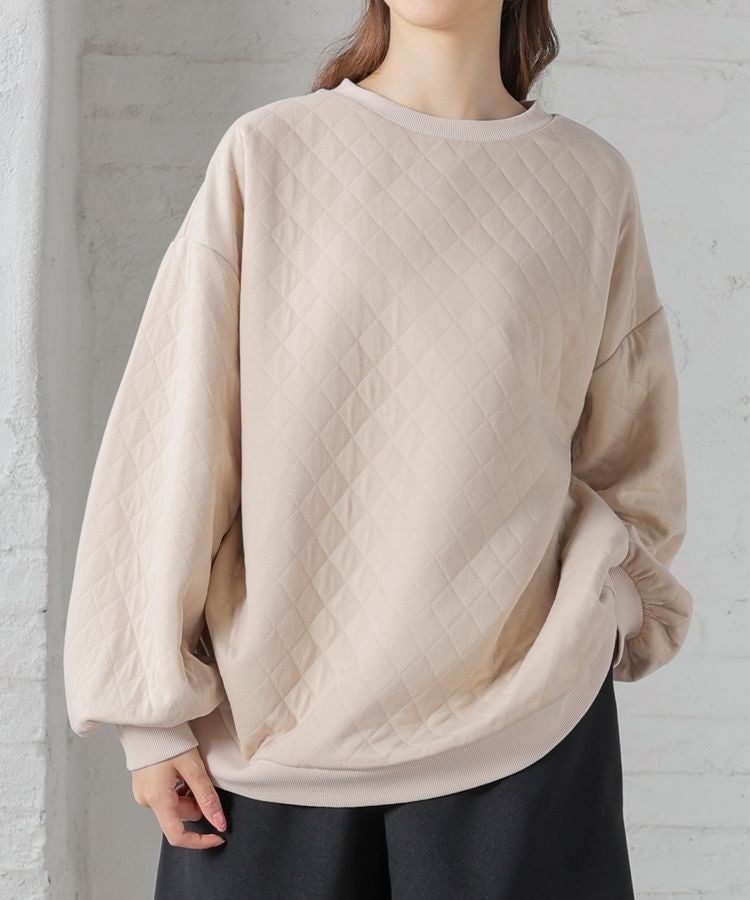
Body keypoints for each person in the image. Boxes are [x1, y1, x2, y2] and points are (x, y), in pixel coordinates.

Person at [63, 0, 694, 897]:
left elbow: (635, 455)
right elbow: (174, 430)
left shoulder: (589, 181)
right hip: (270, 744)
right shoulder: (271, 153)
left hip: (528, 738)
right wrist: (150, 718)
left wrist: (608, 609)